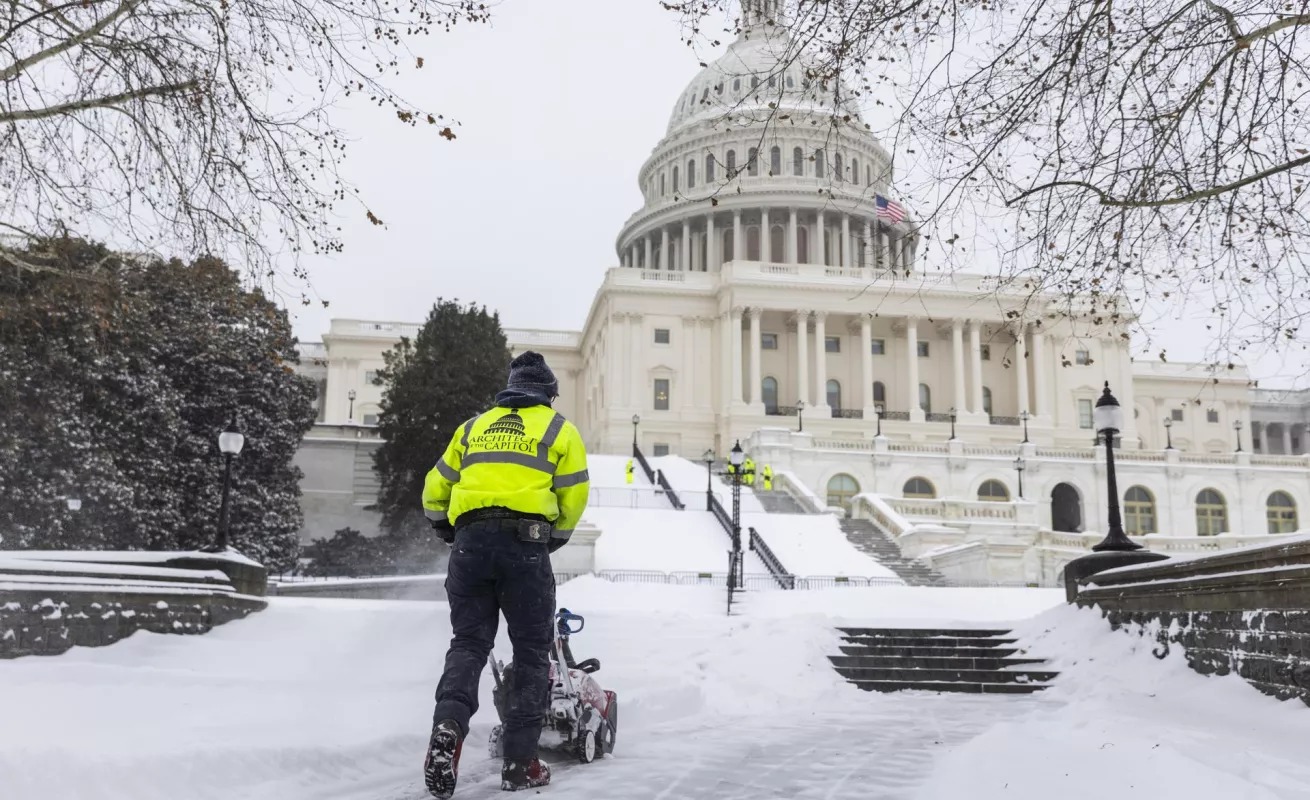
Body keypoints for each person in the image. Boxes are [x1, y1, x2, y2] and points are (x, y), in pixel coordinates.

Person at [420, 351, 589, 798]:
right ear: (549, 394)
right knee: (532, 653)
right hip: (525, 545)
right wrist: (551, 539)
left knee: (468, 643)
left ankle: (448, 727)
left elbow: (435, 488)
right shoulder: (559, 429)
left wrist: (449, 529)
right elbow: (573, 495)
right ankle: (520, 763)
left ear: (510, 389)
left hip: (470, 544)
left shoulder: (472, 427)